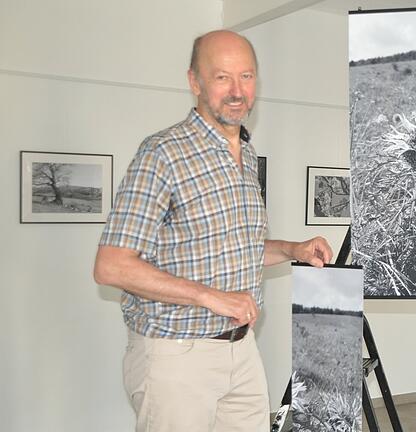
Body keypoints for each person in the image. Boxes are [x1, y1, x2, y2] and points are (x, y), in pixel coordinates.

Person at [93, 30, 332, 432]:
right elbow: (112, 267)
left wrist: (295, 248)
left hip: (242, 350)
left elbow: (237, 249)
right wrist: (212, 298)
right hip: (177, 354)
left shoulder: (246, 154)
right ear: (194, 82)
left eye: (247, 76)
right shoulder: (163, 153)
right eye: (222, 77)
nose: (237, 91)